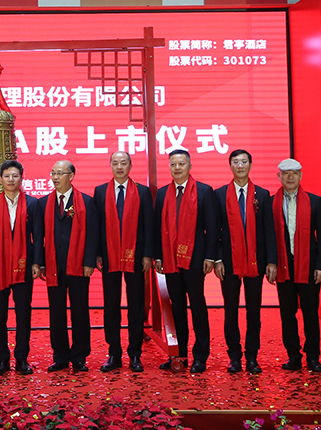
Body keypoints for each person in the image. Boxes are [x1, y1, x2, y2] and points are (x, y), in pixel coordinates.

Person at [154, 149, 219, 374]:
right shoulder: (162, 194)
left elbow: (212, 228)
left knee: (198, 306)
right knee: (177, 308)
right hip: (170, 260)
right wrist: (158, 256)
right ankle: (179, 355)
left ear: (190, 166)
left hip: (196, 259)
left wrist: (210, 256)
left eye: (181, 164)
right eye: (173, 164)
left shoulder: (204, 191)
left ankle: (200, 356)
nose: (177, 168)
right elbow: (157, 228)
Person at [213, 149, 276, 374]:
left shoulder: (263, 194)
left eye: (244, 161)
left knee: (254, 310)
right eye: (236, 162)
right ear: (230, 165)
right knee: (230, 310)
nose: (240, 165)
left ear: (250, 165)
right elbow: (214, 230)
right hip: (228, 261)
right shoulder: (219, 194)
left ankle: (252, 357)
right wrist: (217, 258)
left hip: (255, 261)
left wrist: (271, 261)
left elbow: (269, 231)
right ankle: (234, 357)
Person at [34, 159, 98, 373]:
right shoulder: (43, 203)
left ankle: (79, 356)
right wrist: (40, 263)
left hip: (79, 265)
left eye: (60, 173)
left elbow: (92, 235)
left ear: (71, 176)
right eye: (53, 173)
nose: (55, 177)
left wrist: (89, 262)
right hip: (54, 266)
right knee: (56, 312)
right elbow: (39, 237)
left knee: (80, 311)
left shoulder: (86, 202)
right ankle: (60, 356)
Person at [93, 151, 154, 373]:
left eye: (124, 163)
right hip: (109, 255)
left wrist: (147, 254)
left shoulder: (142, 192)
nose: (119, 167)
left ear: (130, 166)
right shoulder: (100, 191)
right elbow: (97, 226)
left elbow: (149, 224)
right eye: (115, 163)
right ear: (110, 165)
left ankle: (135, 354)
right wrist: (97, 253)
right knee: (111, 306)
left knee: (136, 305)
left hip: (136, 255)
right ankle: (114, 353)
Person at [0, 160, 40, 375]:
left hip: (24, 265)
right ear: (1, 179)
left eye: (15, 176)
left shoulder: (32, 204)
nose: (11, 179)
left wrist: (36, 263)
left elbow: (38, 236)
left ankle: (22, 358)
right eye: (7, 176)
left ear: (22, 178)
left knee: (23, 313)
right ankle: (2, 359)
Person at [271, 158, 321, 373]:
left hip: (309, 266)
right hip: (284, 266)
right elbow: (268, 236)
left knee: (310, 313)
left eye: (294, 173)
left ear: (301, 176)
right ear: (279, 176)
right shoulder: (271, 202)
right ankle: (293, 356)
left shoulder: (315, 201)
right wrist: (271, 263)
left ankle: (313, 357)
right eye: (286, 173)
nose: (290, 177)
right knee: (287, 314)